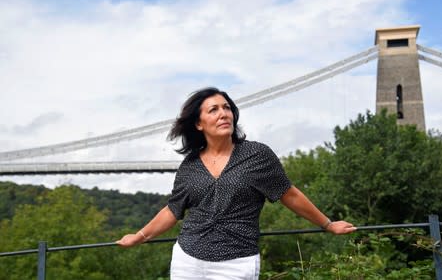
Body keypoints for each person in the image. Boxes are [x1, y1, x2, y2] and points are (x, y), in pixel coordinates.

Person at [116, 87, 356, 279]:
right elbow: (173, 209)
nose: (223, 114)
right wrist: (141, 236)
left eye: (227, 108)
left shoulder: (257, 155)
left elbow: (289, 194)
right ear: (199, 124)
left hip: (236, 262)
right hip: (187, 259)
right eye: (213, 110)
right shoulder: (189, 165)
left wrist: (327, 224)